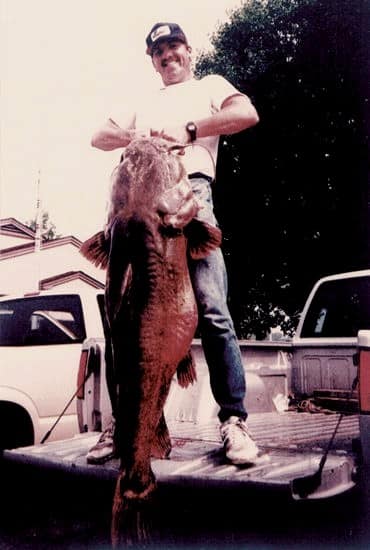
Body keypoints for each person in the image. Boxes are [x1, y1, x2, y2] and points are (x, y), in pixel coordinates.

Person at [86, 22, 260, 466]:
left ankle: (234, 420)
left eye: (174, 46)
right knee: (121, 315)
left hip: (189, 197)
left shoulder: (210, 85)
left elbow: (247, 114)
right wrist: (138, 138)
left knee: (211, 308)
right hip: (135, 207)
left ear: (188, 50)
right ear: (152, 60)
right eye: (159, 50)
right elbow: (99, 136)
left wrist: (188, 128)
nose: (168, 55)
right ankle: (126, 423)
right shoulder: (142, 102)